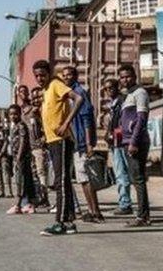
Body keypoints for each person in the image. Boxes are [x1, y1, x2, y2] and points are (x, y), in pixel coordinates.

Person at [34, 60, 84, 236]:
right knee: (64, 182)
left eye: (42, 74)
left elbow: (79, 98)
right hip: (52, 141)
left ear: (49, 73)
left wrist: (66, 124)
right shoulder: (46, 90)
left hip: (61, 140)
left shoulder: (56, 84)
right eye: (37, 76)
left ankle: (60, 222)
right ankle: (69, 221)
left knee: (60, 181)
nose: (40, 78)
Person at [60, 65, 104, 223]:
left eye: (69, 74)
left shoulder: (79, 92)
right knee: (83, 180)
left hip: (82, 143)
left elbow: (86, 119)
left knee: (86, 179)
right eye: (64, 75)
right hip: (75, 142)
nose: (66, 77)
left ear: (75, 76)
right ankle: (92, 211)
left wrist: (88, 144)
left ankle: (95, 212)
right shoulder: (68, 94)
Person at [119, 64, 152, 227]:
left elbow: (141, 119)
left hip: (136, 142)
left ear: (134, 76)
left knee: (138, 179)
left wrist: (133, 141)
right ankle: (142, 215)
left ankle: (143, 216)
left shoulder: (140, 93)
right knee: (135, 178)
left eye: (128, 76)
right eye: (122, 77)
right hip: (127, 142)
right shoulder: (128, 95)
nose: (125, 79)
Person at [102, 78, 132, 215]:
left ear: (117, 87)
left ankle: (125, 203)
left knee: (121, 174)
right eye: (106, 89)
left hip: (120, 142)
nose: (109, 91)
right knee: (120, 173)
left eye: (111, 88)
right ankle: (124, 202)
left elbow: (123, 123)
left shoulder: (121, 102)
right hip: (115, 143)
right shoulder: (113, 104)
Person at [6, 105, 36, 215]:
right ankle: (29, 204)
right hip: (17, 157)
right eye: (11, 114)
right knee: (26, 180)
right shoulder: (13, 126)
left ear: (20, 114)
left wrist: (18, 157)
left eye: (15, 114)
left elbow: (23, 141)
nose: (13, 116)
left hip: (22, 157)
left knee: (20, 181)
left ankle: (18, 205)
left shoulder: (21, 125)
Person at [28, 87, 51, 209]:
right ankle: (40, 196)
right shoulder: (33, 112)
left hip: (40, 148)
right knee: (36, 173)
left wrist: (43, 140)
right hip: (32, 147)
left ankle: (44, 198)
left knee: (42, 173)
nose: (35, 100)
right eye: (33, 98)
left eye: (38, 97)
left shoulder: (44, 110)